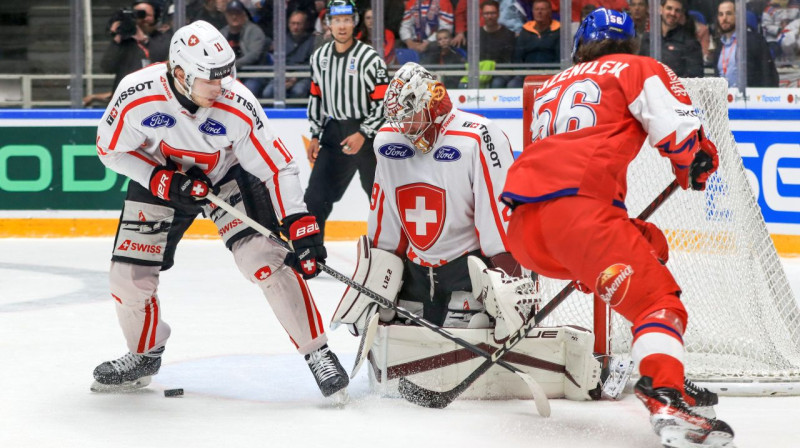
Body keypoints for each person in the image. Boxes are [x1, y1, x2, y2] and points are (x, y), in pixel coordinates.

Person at [500, 8, 735, 447]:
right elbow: (679, 133)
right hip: (580, 219)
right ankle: (665, 391)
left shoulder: (551, 84)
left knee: (651, 245)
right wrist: (694, 162)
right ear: (630, 42)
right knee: (660, 305)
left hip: (525, 230)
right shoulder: (638, 67)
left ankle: (662, 367)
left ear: (580, 44)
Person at [91, 20, 349, 399]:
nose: (222, 87)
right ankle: (144, 355)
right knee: (127, 277)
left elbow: (277, 166)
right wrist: (161, 179)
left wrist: (300, 223)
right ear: (179, 73)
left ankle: (318, 353)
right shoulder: (136, 94)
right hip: (161, 178)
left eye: (226, 76)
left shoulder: (238, 105)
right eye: (210, 79)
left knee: (264, 258)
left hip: (226, 176)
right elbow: (109, 149)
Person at [331, 61, 524, 332]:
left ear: (429, 102)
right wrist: (377, 278)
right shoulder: (388, 141)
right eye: (398, 119)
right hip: (415, 275)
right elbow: (385, 217)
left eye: (410, 115)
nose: (405, 127)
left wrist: (509, 280)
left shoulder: (477, 136)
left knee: (468, 340)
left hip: (466, 275)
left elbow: (497, 216)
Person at [306, 0, 390, 239]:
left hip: (369, 135)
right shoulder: (319, 58)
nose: (341, 26)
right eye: (336, 20)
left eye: (346, 20)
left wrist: (363, 132)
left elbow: (383, 102)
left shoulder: (370, 58)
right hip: (334, 132)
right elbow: (316, 96)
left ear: (354, 22)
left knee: (380, 198)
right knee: (315, 197)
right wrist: (314, 133)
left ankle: (391, 254)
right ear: (329, 24)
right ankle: (311, 253)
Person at [100, 1, 173, 92]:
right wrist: (117, 38)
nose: (142, 19)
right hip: (126, 95)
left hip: (153, 95)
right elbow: (107, 68)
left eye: (145, 15)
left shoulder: (163, 38)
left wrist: (144, 40)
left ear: (155, 17)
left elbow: (161, 60)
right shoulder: (124, 41)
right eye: (137, 14)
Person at [712, 0, 779, 87]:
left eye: (728, 13)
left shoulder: (754, 41)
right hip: (724, 98)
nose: (724, 18)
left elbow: (768, 75)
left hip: (749, 98)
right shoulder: (719, 46)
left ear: (738, 15)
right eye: (721, 14)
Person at [254, 10, 315, 98]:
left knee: (298, 91)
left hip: (302, 76)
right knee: (268, 92)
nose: (295, 27)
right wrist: (284, 76)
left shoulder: (312, 41)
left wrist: (296, 77)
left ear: (305, 24)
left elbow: (311, 63)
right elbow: (276, 61)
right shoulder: (281, 39)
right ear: (288, 24)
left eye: (299, 24)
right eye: (293, 23)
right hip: (282, 75)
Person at [638, 0, 704, 78]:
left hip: (675, 88)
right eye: (669, 8)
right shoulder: (649, 37)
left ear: (681, 14)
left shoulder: (690, 42)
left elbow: (695, 77)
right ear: (660, 9)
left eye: (677, 10)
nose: (673, 13)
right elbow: (639, 68)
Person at [509, 0, 561, 87]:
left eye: (542, 9)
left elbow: (559, 57)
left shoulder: (558, 31)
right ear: (532, 11)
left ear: (549, 12)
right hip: (527, 74)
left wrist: (549, 73)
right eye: (536, 9)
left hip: (551, 75)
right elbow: (517, 57)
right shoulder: (525, 31)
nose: (539, 12)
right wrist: (524, 73)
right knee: (512, 85)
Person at [220, 0, 268, 70]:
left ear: (243, 15)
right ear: (226, 16)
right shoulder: (221, 33)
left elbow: (253, 55)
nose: (234, 17)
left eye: (237, 13)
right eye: (231, 14)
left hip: (252, 72)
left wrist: (232, 65)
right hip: (227, 73)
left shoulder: (254, 31)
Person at [480, 0, 517, 88]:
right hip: (481, 72)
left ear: (498, 14)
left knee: (497, 83)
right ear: (482, 15)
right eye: (486, 13)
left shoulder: (509, 35)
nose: (489, 16)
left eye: (492, 13)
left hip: (501, 73)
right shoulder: (476, 35)